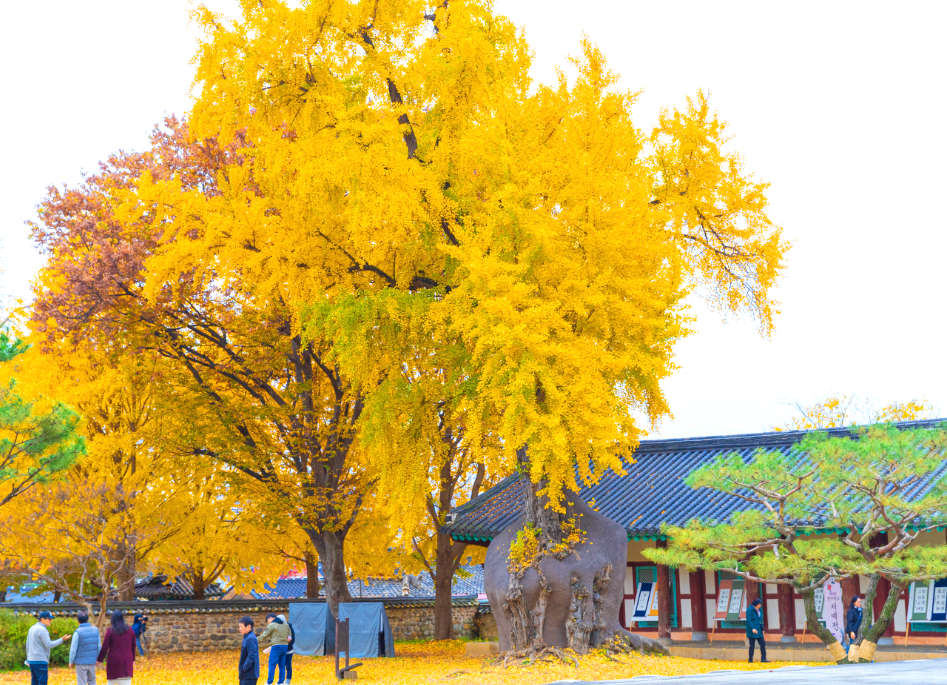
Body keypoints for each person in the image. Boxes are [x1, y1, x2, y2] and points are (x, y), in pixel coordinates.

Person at [26, 610, 72, 685]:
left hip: (32, 660)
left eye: (51, 619)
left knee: (34, 682)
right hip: (40, 660)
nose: (50, 621)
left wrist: (28, 658)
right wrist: (61, 640)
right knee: (42, 682)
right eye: (48, 619)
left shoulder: (32, 628)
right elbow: (49, 644)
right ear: (42, 619)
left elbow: (27, 644)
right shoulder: (42, 630)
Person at [97, 610, 136, 685]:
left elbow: (105, 646)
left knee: (112, 682)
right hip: (126, 662)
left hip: (113, 662)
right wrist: (133, 659)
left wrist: (99, 659)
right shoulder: (130, 630)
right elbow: (133, 645)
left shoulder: (110, 631)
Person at [258, 612, 291, 685]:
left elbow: (264, 636)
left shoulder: (272, 625)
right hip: (285, 646)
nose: (268, 623)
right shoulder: (286, 625)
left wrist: (255, 640)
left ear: (270, 618)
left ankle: (269, 682)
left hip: (276, 646)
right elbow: (289, 637)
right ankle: (281, 682)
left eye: (267, 621)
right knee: (282, 665)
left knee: (272, 665)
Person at [69, 611, 101, 685]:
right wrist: (98, 658)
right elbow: (99, 646)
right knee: (92, 681)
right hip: (92, 661)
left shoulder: (77, 632)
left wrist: (71, 661)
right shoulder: (96, 630)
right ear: (87, 620)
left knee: (81, 683)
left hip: (81, 662)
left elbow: (73, 649)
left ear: (78, 621)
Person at [238, 616, 260, 685]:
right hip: (246, 674)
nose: (239, 629)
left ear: (249, 627)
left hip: (249, 675)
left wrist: (245, 667)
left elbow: (252, 654)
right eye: (239, 627)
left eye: (241, 627)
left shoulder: (250, 638)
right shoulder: (247, 637)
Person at [746, 598, 768, 664]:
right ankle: (750, 659)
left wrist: (762, 628)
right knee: (752, 645)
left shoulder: (759, 610)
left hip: (759, 629)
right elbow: (749, 621)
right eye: (759, 605)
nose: (759, 606)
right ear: (755, 604)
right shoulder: (749, 610)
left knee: (763, 643)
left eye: (760, 605)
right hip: (752, 629)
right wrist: (752, 628)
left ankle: (763, 658)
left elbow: (760, 620)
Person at [280, 614, 295, 685]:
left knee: (288, 665)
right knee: (281, 665)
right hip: (280, 650)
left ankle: (288, 680)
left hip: (288, 650)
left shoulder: (289, 628)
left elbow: (292, 640)